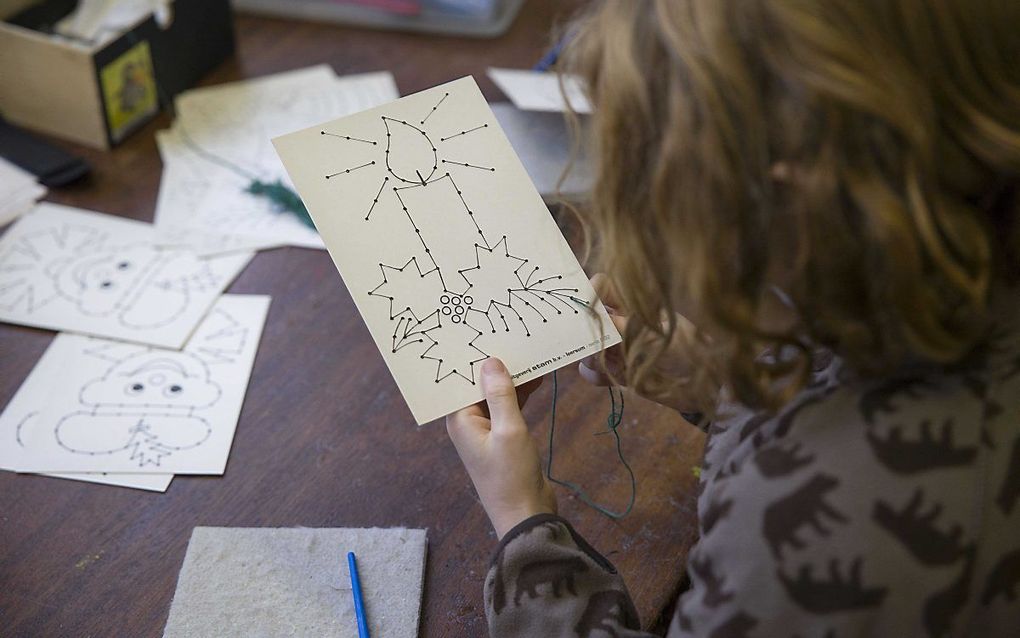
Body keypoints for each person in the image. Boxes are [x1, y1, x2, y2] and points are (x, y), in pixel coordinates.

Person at [446, 1, 1020, 636]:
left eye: (653, 178)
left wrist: (524, 527)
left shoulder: (818, 534)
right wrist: (730, 382)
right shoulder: (954, 240)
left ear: (780, 200)